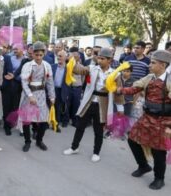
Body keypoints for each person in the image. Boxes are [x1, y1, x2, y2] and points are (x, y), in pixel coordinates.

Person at [118, 50, 171, 190]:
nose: (149, 65)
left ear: (163, 65)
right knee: (132, 139)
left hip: (163, 120)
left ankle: (159, 178)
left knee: (158, 150)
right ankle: (143, 165)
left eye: (153, 63)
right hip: (146, 117)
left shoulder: (170, 81)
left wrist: (169, 126)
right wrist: (119, 89)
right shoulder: (149, 77)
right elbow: (134, 89)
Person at [63, 48, 124, 162]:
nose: (99, 60)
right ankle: (74, 147)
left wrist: (120, 108)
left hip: (104, 103)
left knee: (98, 130)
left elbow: (118, 93)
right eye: (99, 58)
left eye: (102, 58)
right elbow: (78, 69)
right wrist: (71, 60)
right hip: (89, 101)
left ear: (109, 60)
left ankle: (96, 152)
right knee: (80, 126)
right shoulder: (92, 68)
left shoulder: (116, 74)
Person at [19, 41, 55, 152]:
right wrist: (30, 95)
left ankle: (39, 141)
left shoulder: (47, 65)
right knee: (27, 120)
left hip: (41, 95)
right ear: (32, 54)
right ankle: (27, 142)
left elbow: (50, 82)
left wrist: (52, 96)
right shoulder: (27, 65)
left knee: (44, 121)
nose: (38, 57)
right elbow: (24, 82)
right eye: (36, 54)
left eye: (41, 55)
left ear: (43, 54)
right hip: (29, 95)